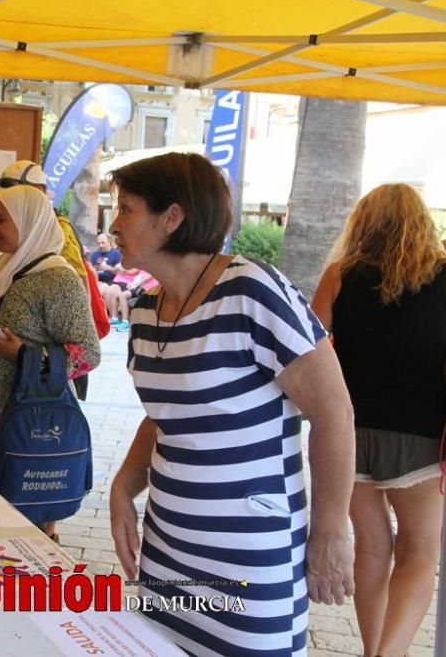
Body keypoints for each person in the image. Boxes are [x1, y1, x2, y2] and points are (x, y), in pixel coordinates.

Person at [106, 153, 355, 656]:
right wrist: (122, 487)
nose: (114, 225)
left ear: (171, 218)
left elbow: (335, 414)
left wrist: (330, 530)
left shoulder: (251, 291)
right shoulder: (147, 310)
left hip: (249, 559)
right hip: (168, 549)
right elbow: (166, 417)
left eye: (126, 208)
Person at [311, 183, 446, 657]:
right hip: (423, 436)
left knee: (372, 550)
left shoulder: (339, 277)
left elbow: (306, 349)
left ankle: (376, 652)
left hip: (350, 433)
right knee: (419, 553)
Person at [0, 185, 100, 540]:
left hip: (21, 431)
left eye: (0, 219)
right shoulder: (4, 268)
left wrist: (22, 356)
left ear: (28, 222)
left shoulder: (58, 280)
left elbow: (88, 353)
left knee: (18, 536)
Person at [0, 160, 108, 401]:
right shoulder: (4, 262)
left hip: (29, 415)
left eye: (17, 191)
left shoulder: (58, 240)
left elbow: (76, 300)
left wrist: (27, 356)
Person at [105, 267, 158, 332]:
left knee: (122, 294)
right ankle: (124, 322)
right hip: (139, 287)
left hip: (148, 288)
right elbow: (140, 277)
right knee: (121, 295)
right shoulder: (144, 264)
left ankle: (124, 322)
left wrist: (135, 284)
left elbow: (147, 277)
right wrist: (134, 284)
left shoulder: (155, 264)